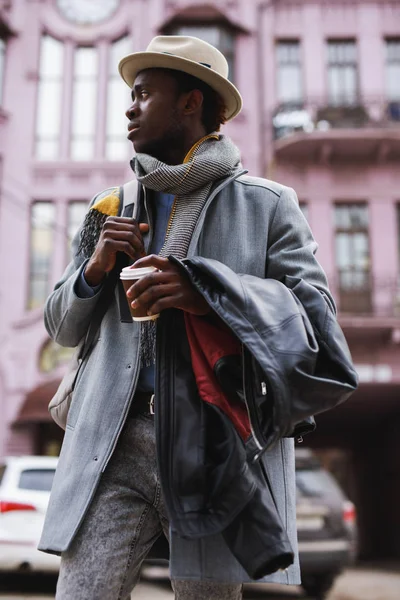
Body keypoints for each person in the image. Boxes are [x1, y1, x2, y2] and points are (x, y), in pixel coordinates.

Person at [39, 36, 357, 600]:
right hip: (110, 442)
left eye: (143, 94)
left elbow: (315, 320)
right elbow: (61, 327)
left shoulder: (267, 204)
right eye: (129, 96)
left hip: (212, 444)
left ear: (190, 102)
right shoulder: (107, 208)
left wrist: (206, 291)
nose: (129, 107)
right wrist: (92, 270)